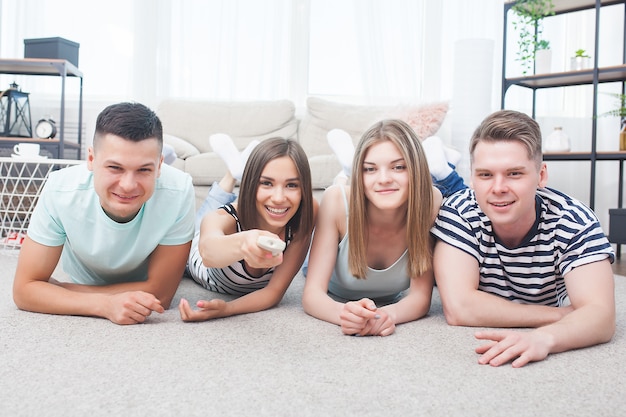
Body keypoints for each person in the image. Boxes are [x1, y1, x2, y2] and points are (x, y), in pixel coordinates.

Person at [431, 109, 616, 367]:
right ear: (472, 178)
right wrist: (560, 316)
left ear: (541, 176)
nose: (498, 188)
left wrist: (545, 338)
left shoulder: (574, 222)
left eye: (514, 174)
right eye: (485, 175)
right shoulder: (460, 211)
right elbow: (459, 308)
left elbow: (601, 316)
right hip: (551, 308)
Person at [12, 102, 195, 325]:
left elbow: (160, 295)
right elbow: (24, 290)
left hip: (84, 284)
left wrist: (63, 292)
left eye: (144, 169)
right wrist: (104, 305)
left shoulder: (179, 189)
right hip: (86, 278)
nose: (128, 185)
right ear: (91, 159)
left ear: (159, 166)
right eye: (115, 168)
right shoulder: (60, 189)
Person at [301, 119, 443, 336]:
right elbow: (312, 295)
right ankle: (344, 173)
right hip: (328, 265)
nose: (384, 179)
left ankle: (347, 168)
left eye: (398, 167)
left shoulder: (430, 201)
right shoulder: (335, 202)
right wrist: (344, 314)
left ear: (416, 169)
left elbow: (420, 297)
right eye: (370, 169)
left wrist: (387, 316)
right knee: (337, 189)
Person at [178, 135, 317, 321]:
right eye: (266, 183)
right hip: (194, 254)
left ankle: (233, 173)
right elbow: (208, 252)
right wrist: (244, 242)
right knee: (203, 218)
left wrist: (227, 309)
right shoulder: (223, 218)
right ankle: (231, 175)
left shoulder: (307, 212)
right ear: (251, 184)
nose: (278, 197)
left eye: (291, 185)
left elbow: (273, 292)